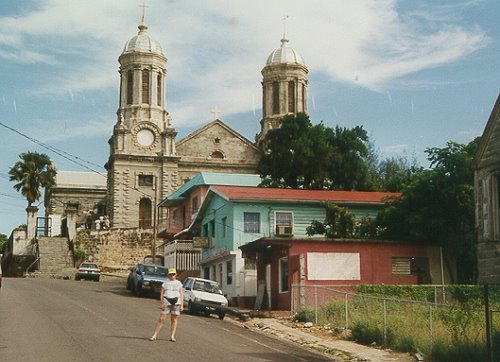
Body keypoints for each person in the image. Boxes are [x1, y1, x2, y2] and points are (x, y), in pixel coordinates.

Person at [149, 268, 184, 342]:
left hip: (176, 302)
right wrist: (161, 303)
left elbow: (181, 294)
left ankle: (172, 336)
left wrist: (182, 305)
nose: (172, 276)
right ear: (168, 275)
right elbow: (162, 293)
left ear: (176, 275)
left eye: (173, 274)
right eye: (170, 274)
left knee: (174, 319)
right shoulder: (165, 283)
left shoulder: (178, 283)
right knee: (161, 319)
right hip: (167, 301)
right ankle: (154, 335)